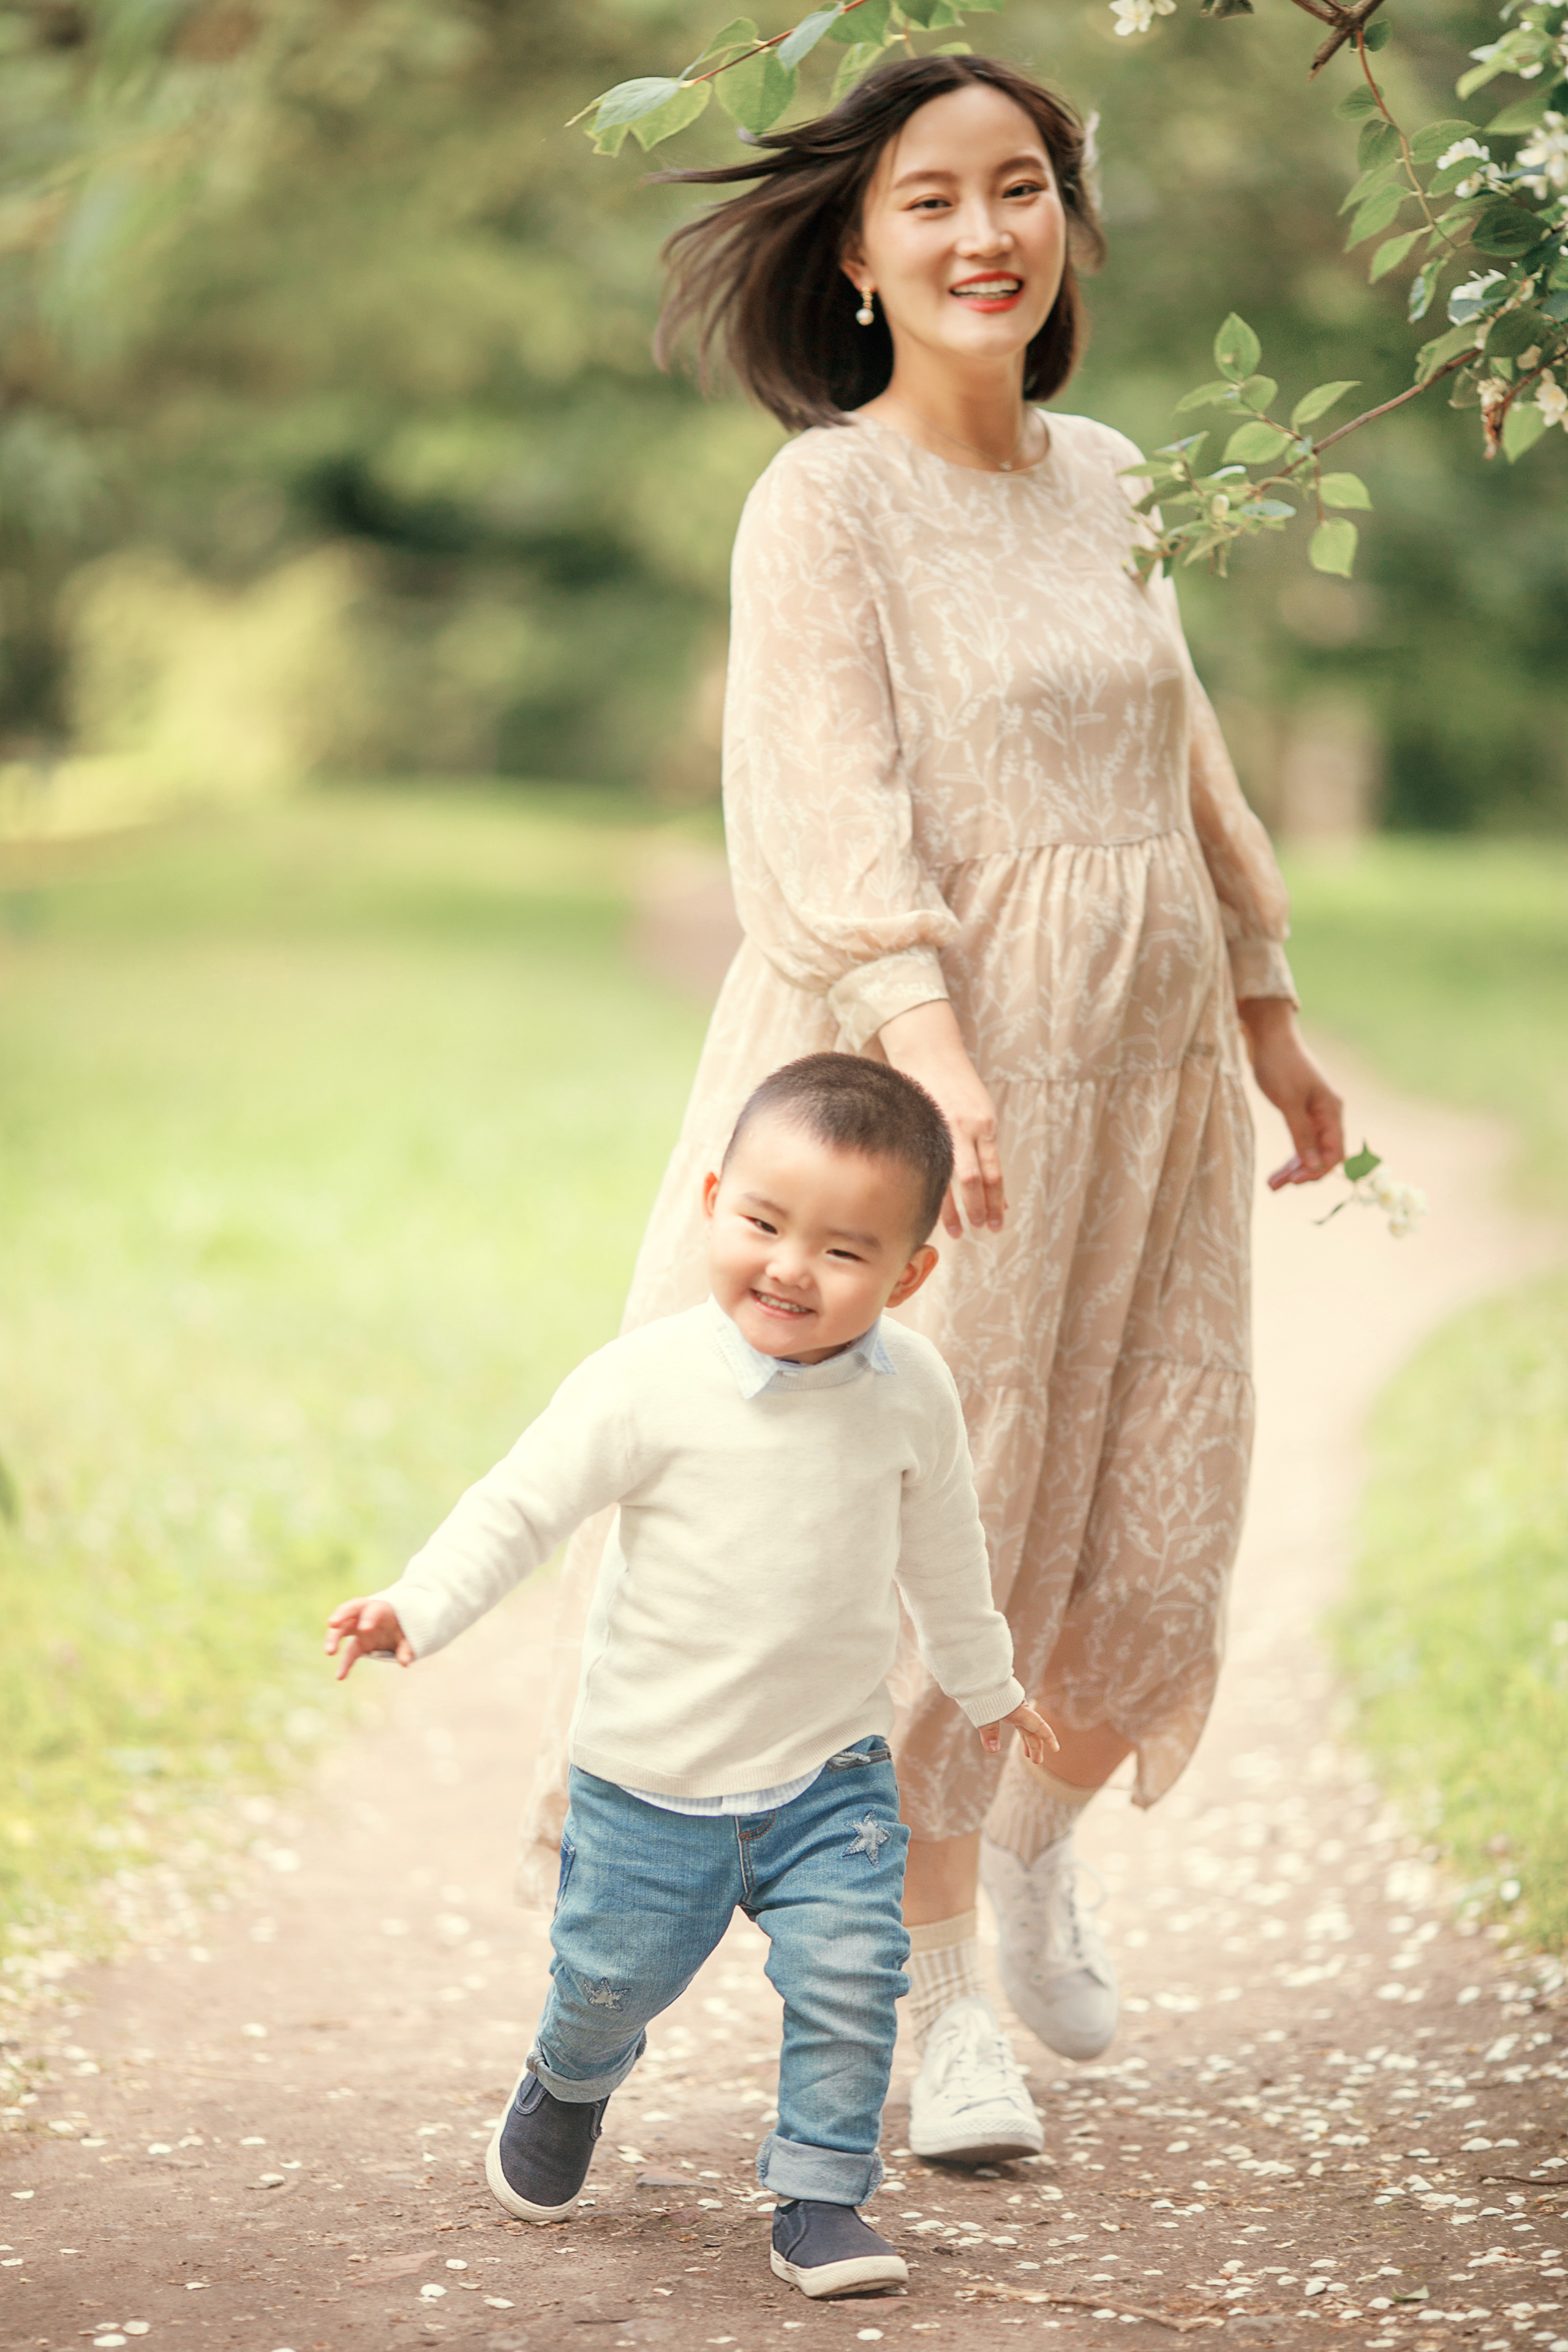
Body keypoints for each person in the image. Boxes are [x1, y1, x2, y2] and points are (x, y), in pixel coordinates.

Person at [524, 48, 1348, 2165]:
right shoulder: (827, 499)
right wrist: (937, 1048)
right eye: (930, 201)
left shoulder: (1118, 477)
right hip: (930, 1095)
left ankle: (1043, 1837)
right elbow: (820, 797)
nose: (985, 232)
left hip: (1146, 1068)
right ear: (863, 255)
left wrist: (1265, 1001)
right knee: (929, 1530)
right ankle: (937, 1988)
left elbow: (1188, 759)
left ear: (1066, 223)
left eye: (1022, 188)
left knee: (1162, 1508)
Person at [324, 1053, 1058, 2302]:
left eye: (840, 1250)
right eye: (761, 1224)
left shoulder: (911, 1396)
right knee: (612, 1982)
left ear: (908, 1272)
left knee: (848, 1977)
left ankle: (820, 2197)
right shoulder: (643, 1383)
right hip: (648, 1785)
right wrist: (417, 1606)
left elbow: (946, 1552)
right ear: (712, 1201)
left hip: (828, 1779)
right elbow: (519, 1507)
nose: (787, 1267)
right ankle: (566, 2082)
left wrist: (983, 1682)